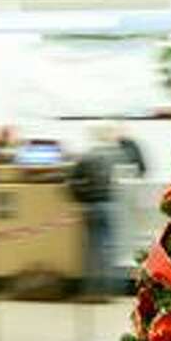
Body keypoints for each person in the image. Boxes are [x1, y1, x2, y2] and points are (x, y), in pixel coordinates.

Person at [67, 128, 121, 302]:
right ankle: (107, 291)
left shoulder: (86, 157)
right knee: (107, 251)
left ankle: (91, 292)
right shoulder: (114, 156)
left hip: (92, 207)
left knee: (91, 252)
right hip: (109, 206)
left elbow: (71, 182)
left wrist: (81, 198)